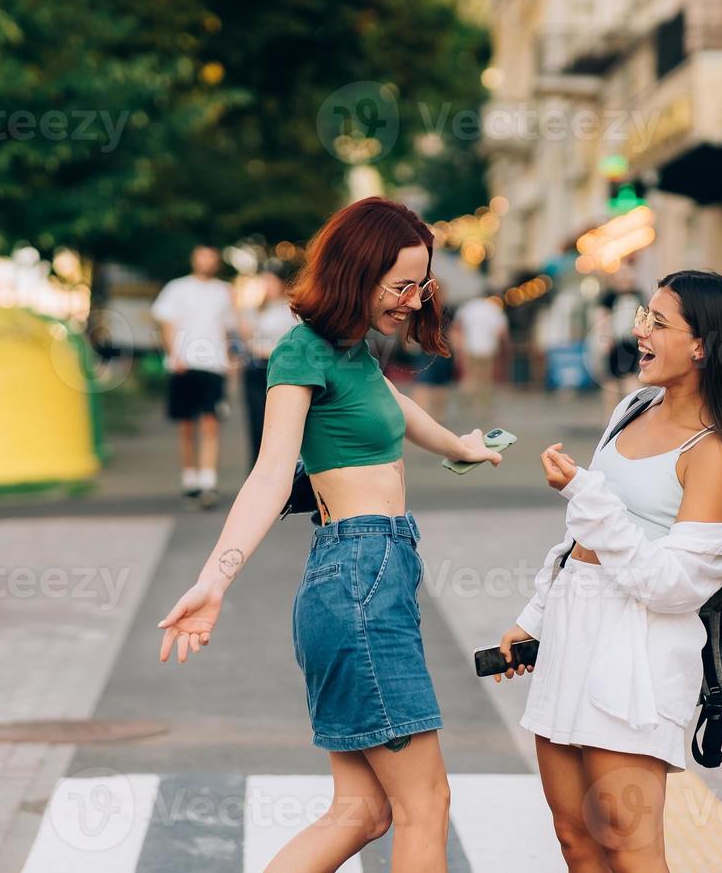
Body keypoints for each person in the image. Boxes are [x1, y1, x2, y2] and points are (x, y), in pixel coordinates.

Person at [157, 197, 503, 873]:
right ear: (356, 271)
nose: (412, 300)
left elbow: (392, 408)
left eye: (421, 286)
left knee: (363, 811)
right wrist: (215, 578)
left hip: (368, 578)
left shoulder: (351, 352)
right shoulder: (301, 350)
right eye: (401, 285)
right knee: (423, 804)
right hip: (359, 581)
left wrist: (457, 448)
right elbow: (267, 475)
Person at [495, 270, 722, 873]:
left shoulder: (715, 452)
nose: (638, 330)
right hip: (573, 631)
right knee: (575, 837)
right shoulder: (631, 408)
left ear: (702, 345)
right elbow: (577, 545)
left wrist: (584, 495)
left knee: (628, 841)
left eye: (658, 322)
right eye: (643, 316)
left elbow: (675, 586)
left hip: (638, 654)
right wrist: (533, 618)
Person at [151, 245, 237, 509]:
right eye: (202, 256)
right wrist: (173, 354)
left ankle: (208, 482)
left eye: (210, 257)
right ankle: (190, 481)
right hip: (185, 363)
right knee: (187, 426)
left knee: (211, 423)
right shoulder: (177, 288)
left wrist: (230, 362)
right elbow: (166, 323)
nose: (206, 262)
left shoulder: (224, 291)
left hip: (213, 365)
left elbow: (227, 328)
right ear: (194, 259)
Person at [238, 263, 299, 464]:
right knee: (258, 422)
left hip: (283, 369)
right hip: (257, 368)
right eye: (265, 281)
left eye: (271, 281)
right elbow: (247, 340)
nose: (268, 286)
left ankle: (285, 469)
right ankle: (257, 468)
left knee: (283, 423)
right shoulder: (256, 310)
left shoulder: (293, 309)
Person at [597, 267, 646, 418]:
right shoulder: (609, 297)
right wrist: (605, 338)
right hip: (614, 342)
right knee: (611, 381)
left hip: (630, 342)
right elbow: (602, 319)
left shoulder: (638, 295)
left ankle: (631, 414)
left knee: (630, 378)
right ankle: (610, 415)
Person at [451, 293, 508, 421]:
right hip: (487, 350)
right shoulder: (494, 309)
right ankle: (483, 409)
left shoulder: (468, 307)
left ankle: (464, 400)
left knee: (470, 376)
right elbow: (501, 333)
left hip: (470, 348)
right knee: (485, 380)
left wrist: (459, 349)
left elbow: (458, 328)